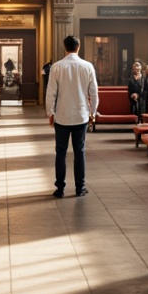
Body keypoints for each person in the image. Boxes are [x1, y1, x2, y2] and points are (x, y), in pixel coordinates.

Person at [45, 35, 98, 198]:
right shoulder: (87, 66)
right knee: (79, 152)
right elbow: (94, 93)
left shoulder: (56, 67)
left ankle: (60, 188)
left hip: (62, 115)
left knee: (60, 152)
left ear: (64, 47)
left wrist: (50, 113)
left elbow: (50, 93)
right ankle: (79, 187)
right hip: (81, 116)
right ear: (78, 47)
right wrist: (92, 113)